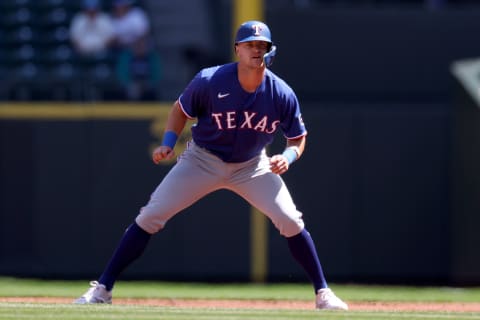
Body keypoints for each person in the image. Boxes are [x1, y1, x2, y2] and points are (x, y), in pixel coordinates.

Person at [74, 20, 348, 311]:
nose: (256, 50)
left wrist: (288, 157)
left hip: (252, 165)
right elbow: (180, 110)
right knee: (151, 215)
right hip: (202, 159)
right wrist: (168, 141)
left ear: (270, 51)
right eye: (250, 45)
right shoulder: (210, 80)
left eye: (262, 46)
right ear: (237, 50)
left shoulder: (281, 93)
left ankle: (323, 293)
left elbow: (298, 139)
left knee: (291, 221)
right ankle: (102, 289)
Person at [116, 36, 162, 101]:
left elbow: (157, 74)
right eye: (137, 45)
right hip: (130, 86)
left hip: (147, 87)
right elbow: (122, 74)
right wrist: (131, 84)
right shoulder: (126, 57)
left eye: (143, 45)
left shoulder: (152, 57)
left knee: (152, 94)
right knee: (126, 92)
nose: (140, 47)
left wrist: (147, 85)